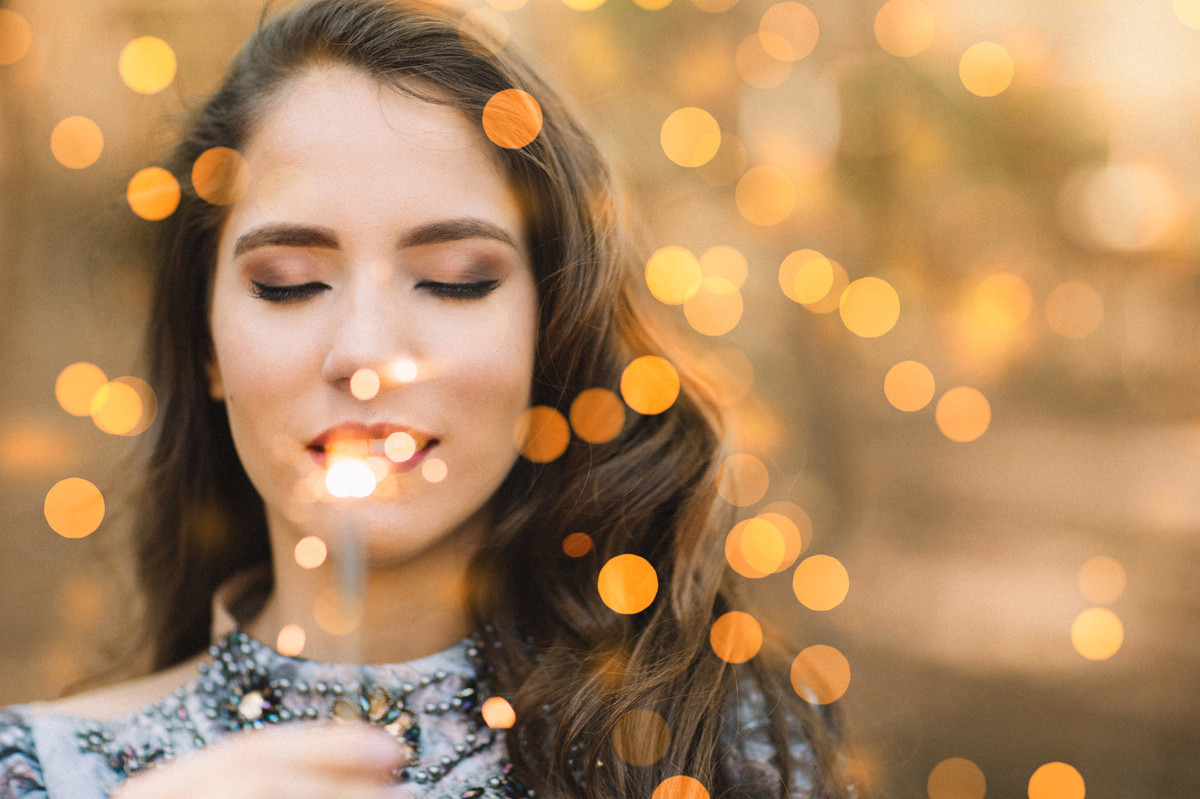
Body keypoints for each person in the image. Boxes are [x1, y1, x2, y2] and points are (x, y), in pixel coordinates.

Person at [0, 0, 854, 796]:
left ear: (547, 335)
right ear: (206, 347)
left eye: (455, 281)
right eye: (290, 283)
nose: (365, 356)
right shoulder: (40, 768)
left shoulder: (723, 752)